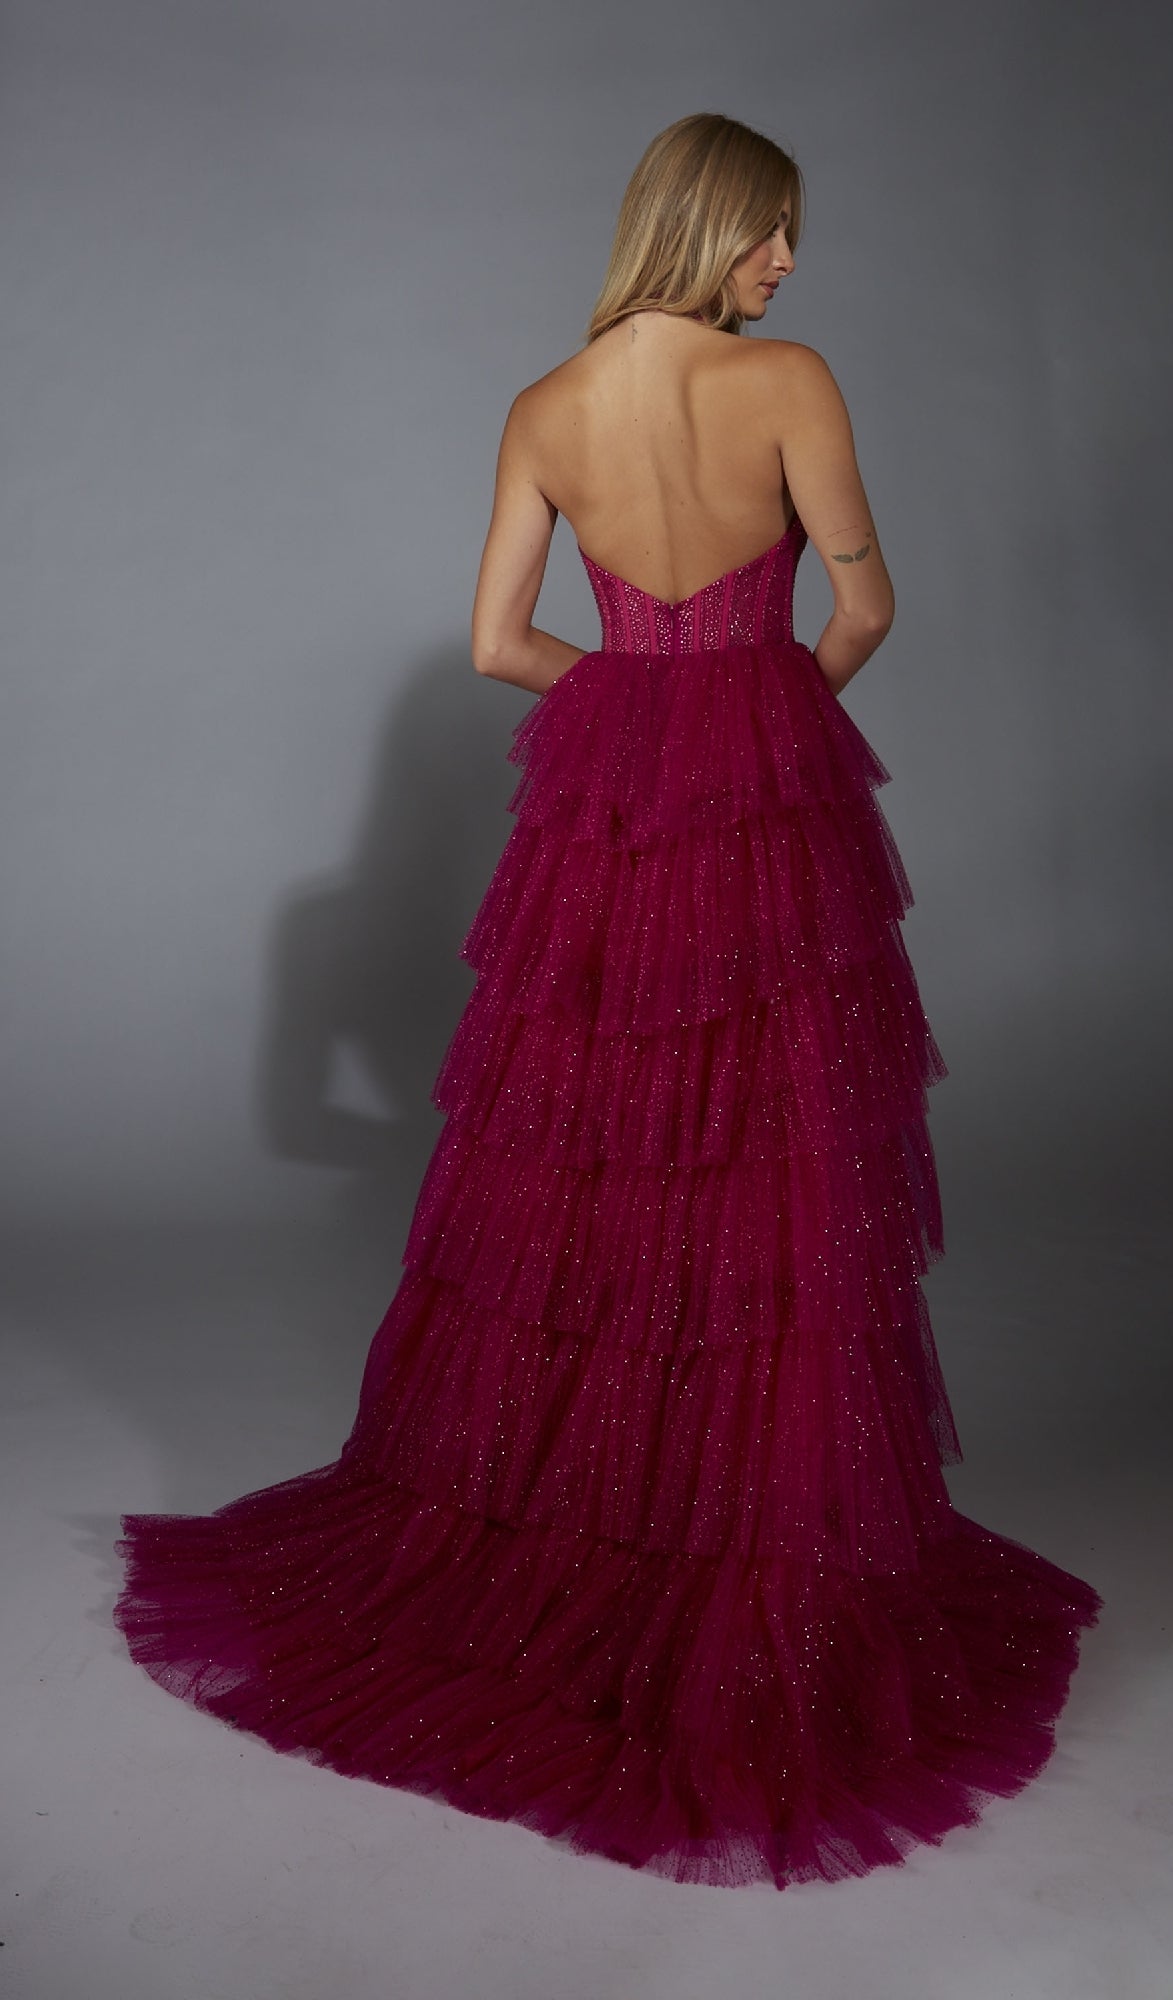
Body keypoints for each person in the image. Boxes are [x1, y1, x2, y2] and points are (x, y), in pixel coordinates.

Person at [113, 112, 1103, 1891]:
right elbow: (868, 601)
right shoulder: (790, 379)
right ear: (711, 226)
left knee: (595, 1156)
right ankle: (727, 1541)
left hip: (612, 814)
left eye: (793, 241)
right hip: (764, 804)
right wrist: (768, 707)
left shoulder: (544, 408)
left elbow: (500, 640)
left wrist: (640, 714)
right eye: (774, 233)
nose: (791, 265)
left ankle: (606, 1522)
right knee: (777, 1160)